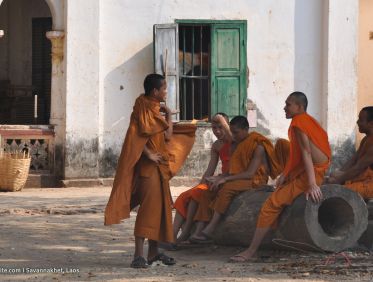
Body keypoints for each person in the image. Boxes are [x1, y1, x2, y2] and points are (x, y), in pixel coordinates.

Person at [229, 91, 331, 262]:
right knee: (283, 147)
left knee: (271, 204)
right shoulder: (307, 120)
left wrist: (312, 184)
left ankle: (251, 251)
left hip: (312, 172)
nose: (284, 107)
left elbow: (306, 153)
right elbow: (303, 153)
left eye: (288, 104)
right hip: (314, 168)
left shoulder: (299, 123)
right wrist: (286, 173)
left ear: (299, 107)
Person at [104, 73, 176, 268]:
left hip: (160, 168)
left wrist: (168, 114)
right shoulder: (142, 108)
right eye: (164, 89)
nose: (166, 92)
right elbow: (134, 136)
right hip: (148, 169)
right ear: (155, 91)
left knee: (161, 210)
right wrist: (148, 154)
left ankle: (153, 253)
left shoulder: (156, 109)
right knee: (148, 211)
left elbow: (167, 136)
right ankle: (138, 255)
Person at [189, 115, 282, 243]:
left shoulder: (258, 145)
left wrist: (226, 180)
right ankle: (199, 230)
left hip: (255, 181)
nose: (233, 135)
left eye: (236, 132)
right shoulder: (236, 144)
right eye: (232, 132)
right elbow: (233, 169)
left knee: (226, 188)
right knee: (208, 190)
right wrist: (220, 177)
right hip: (240, 178)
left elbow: (249, 173)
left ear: (246, 129)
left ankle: (210, 229)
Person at [172, 113, 232, 244]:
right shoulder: (216, 145)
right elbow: (210, 169)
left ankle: (186, 232)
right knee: (183, 196)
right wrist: (201, 183)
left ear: (227, 126)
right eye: (214, 127)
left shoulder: (235, 142)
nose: (217, 131)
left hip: (230, 179)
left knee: (196, 194)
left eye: (220, 127)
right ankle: (172, 235)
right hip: (218, 179)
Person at [327, 107, 373, 199]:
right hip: (363, 178)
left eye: (361, 120)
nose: (357, 122)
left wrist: (338, 179)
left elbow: (358, 168)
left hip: (370, 183)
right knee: (331, 177)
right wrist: (339, 173)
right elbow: (353, 160)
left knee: (335, 191)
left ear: (371, 123)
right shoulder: (365, 139)